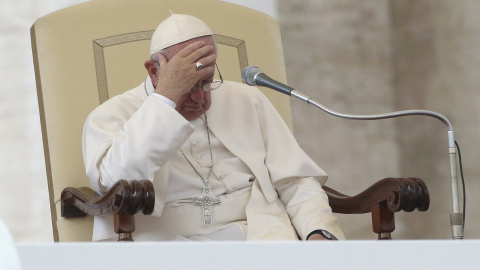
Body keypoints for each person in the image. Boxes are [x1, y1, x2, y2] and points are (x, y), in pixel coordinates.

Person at [83, 14, 344, 241]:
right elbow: (116, 180)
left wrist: (318, 232)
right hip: (167, 248)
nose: (200, 98)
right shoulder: (110, 115)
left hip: (260, 239)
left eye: (206, 82)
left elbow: (295, 179)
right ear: (154, 72)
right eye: (188, 86)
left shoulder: (246, 100)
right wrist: (165, 100)